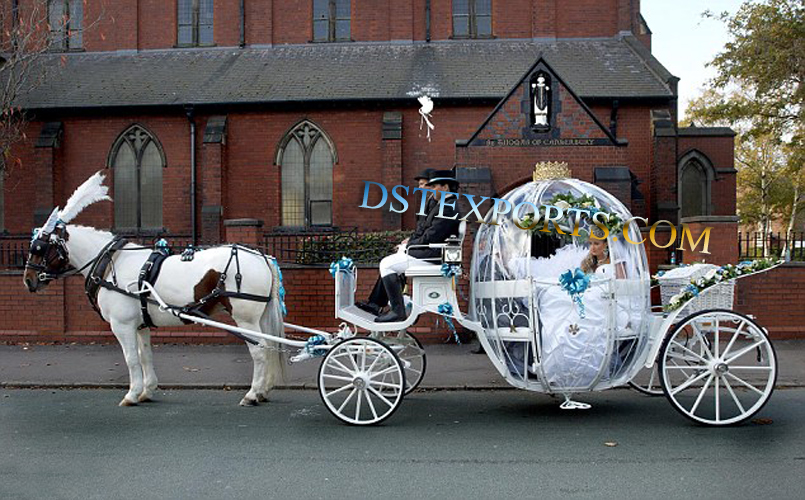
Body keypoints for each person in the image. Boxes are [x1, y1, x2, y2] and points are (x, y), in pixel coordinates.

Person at [356, 169, 461, 323]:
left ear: (445, 187)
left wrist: (410, 245)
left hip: (435, 255)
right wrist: (409, 244)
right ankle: (376, 304)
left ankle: (397, 312)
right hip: (432, 251)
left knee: (386, 264)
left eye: (434, 186)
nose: (430, 189)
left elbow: (432, 235)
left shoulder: (447, 207)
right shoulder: (444, 204)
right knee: (393, 260)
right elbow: (425, 231)